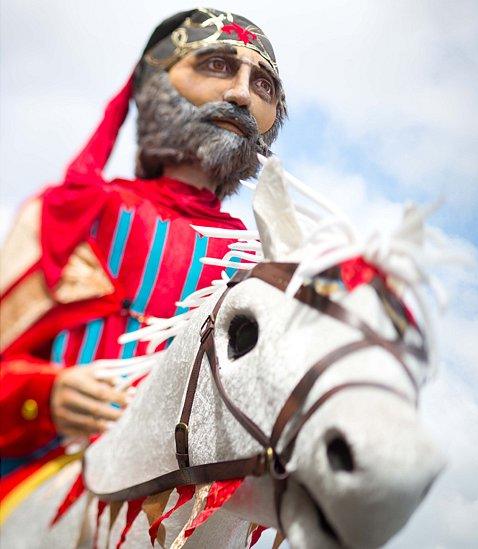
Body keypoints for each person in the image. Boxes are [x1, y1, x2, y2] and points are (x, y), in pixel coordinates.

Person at [0, 8, 287, 487]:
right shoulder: (76, 214)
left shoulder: (261, 263)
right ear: (152, 85)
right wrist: (43, 395)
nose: (240, 93)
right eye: (216, 65)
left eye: (264, 86)